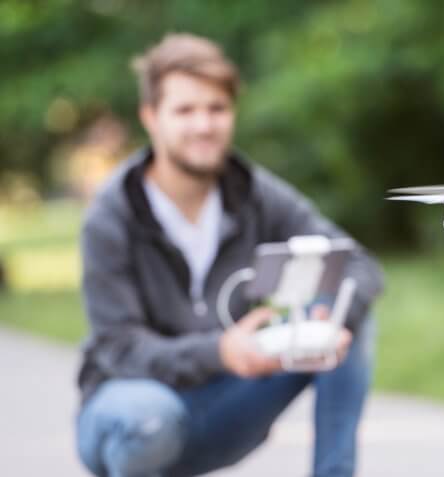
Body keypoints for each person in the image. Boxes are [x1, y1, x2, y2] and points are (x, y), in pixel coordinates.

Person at [74, 33, 384, 477]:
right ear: (150, 118)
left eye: (216, 109)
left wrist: (325, 320)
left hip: (225, 408)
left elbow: (360, 263)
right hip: (129, 412)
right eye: (185, 110)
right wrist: (219, 352)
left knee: (344, 311)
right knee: (150, 415)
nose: (204, 125)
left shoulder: (254, 192)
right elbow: (120, 348)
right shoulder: (110, 215)